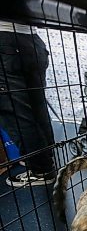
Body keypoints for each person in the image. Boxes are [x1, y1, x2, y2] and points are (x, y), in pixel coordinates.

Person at [0, 22, 56, 187]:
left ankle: (40, 169)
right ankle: (44, 156)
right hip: (32, 40)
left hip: (6, 41)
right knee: (37, 106)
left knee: (16, 112)